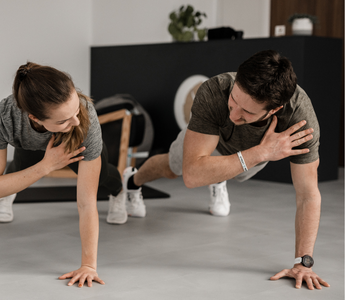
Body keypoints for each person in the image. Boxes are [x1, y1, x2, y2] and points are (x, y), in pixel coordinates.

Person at [123, 50, 330, 290]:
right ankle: (132, 181)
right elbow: (191, 176)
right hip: (210, 144)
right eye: (234, 100)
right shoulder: (214, 90)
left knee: (236, 173)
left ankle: (218, 173)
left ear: (274, 110)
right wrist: (262, 152)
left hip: (249, 156)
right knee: (172, 168)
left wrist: (303, 263)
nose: (234, 114)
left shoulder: (300, 119)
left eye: (248, 112)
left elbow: (307, 194)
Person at [0, 62, 144, 287]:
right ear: (35, 118)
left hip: (75, 144)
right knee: (21, 164)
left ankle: (119, 190)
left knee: (104, 177)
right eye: (63, 120)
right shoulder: (2, 117)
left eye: (75, 110)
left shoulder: (84, 119)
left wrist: (88, 265)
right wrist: (46, 165)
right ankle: (9, 192)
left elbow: (86, 204)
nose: (75, 121)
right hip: (30, 147)